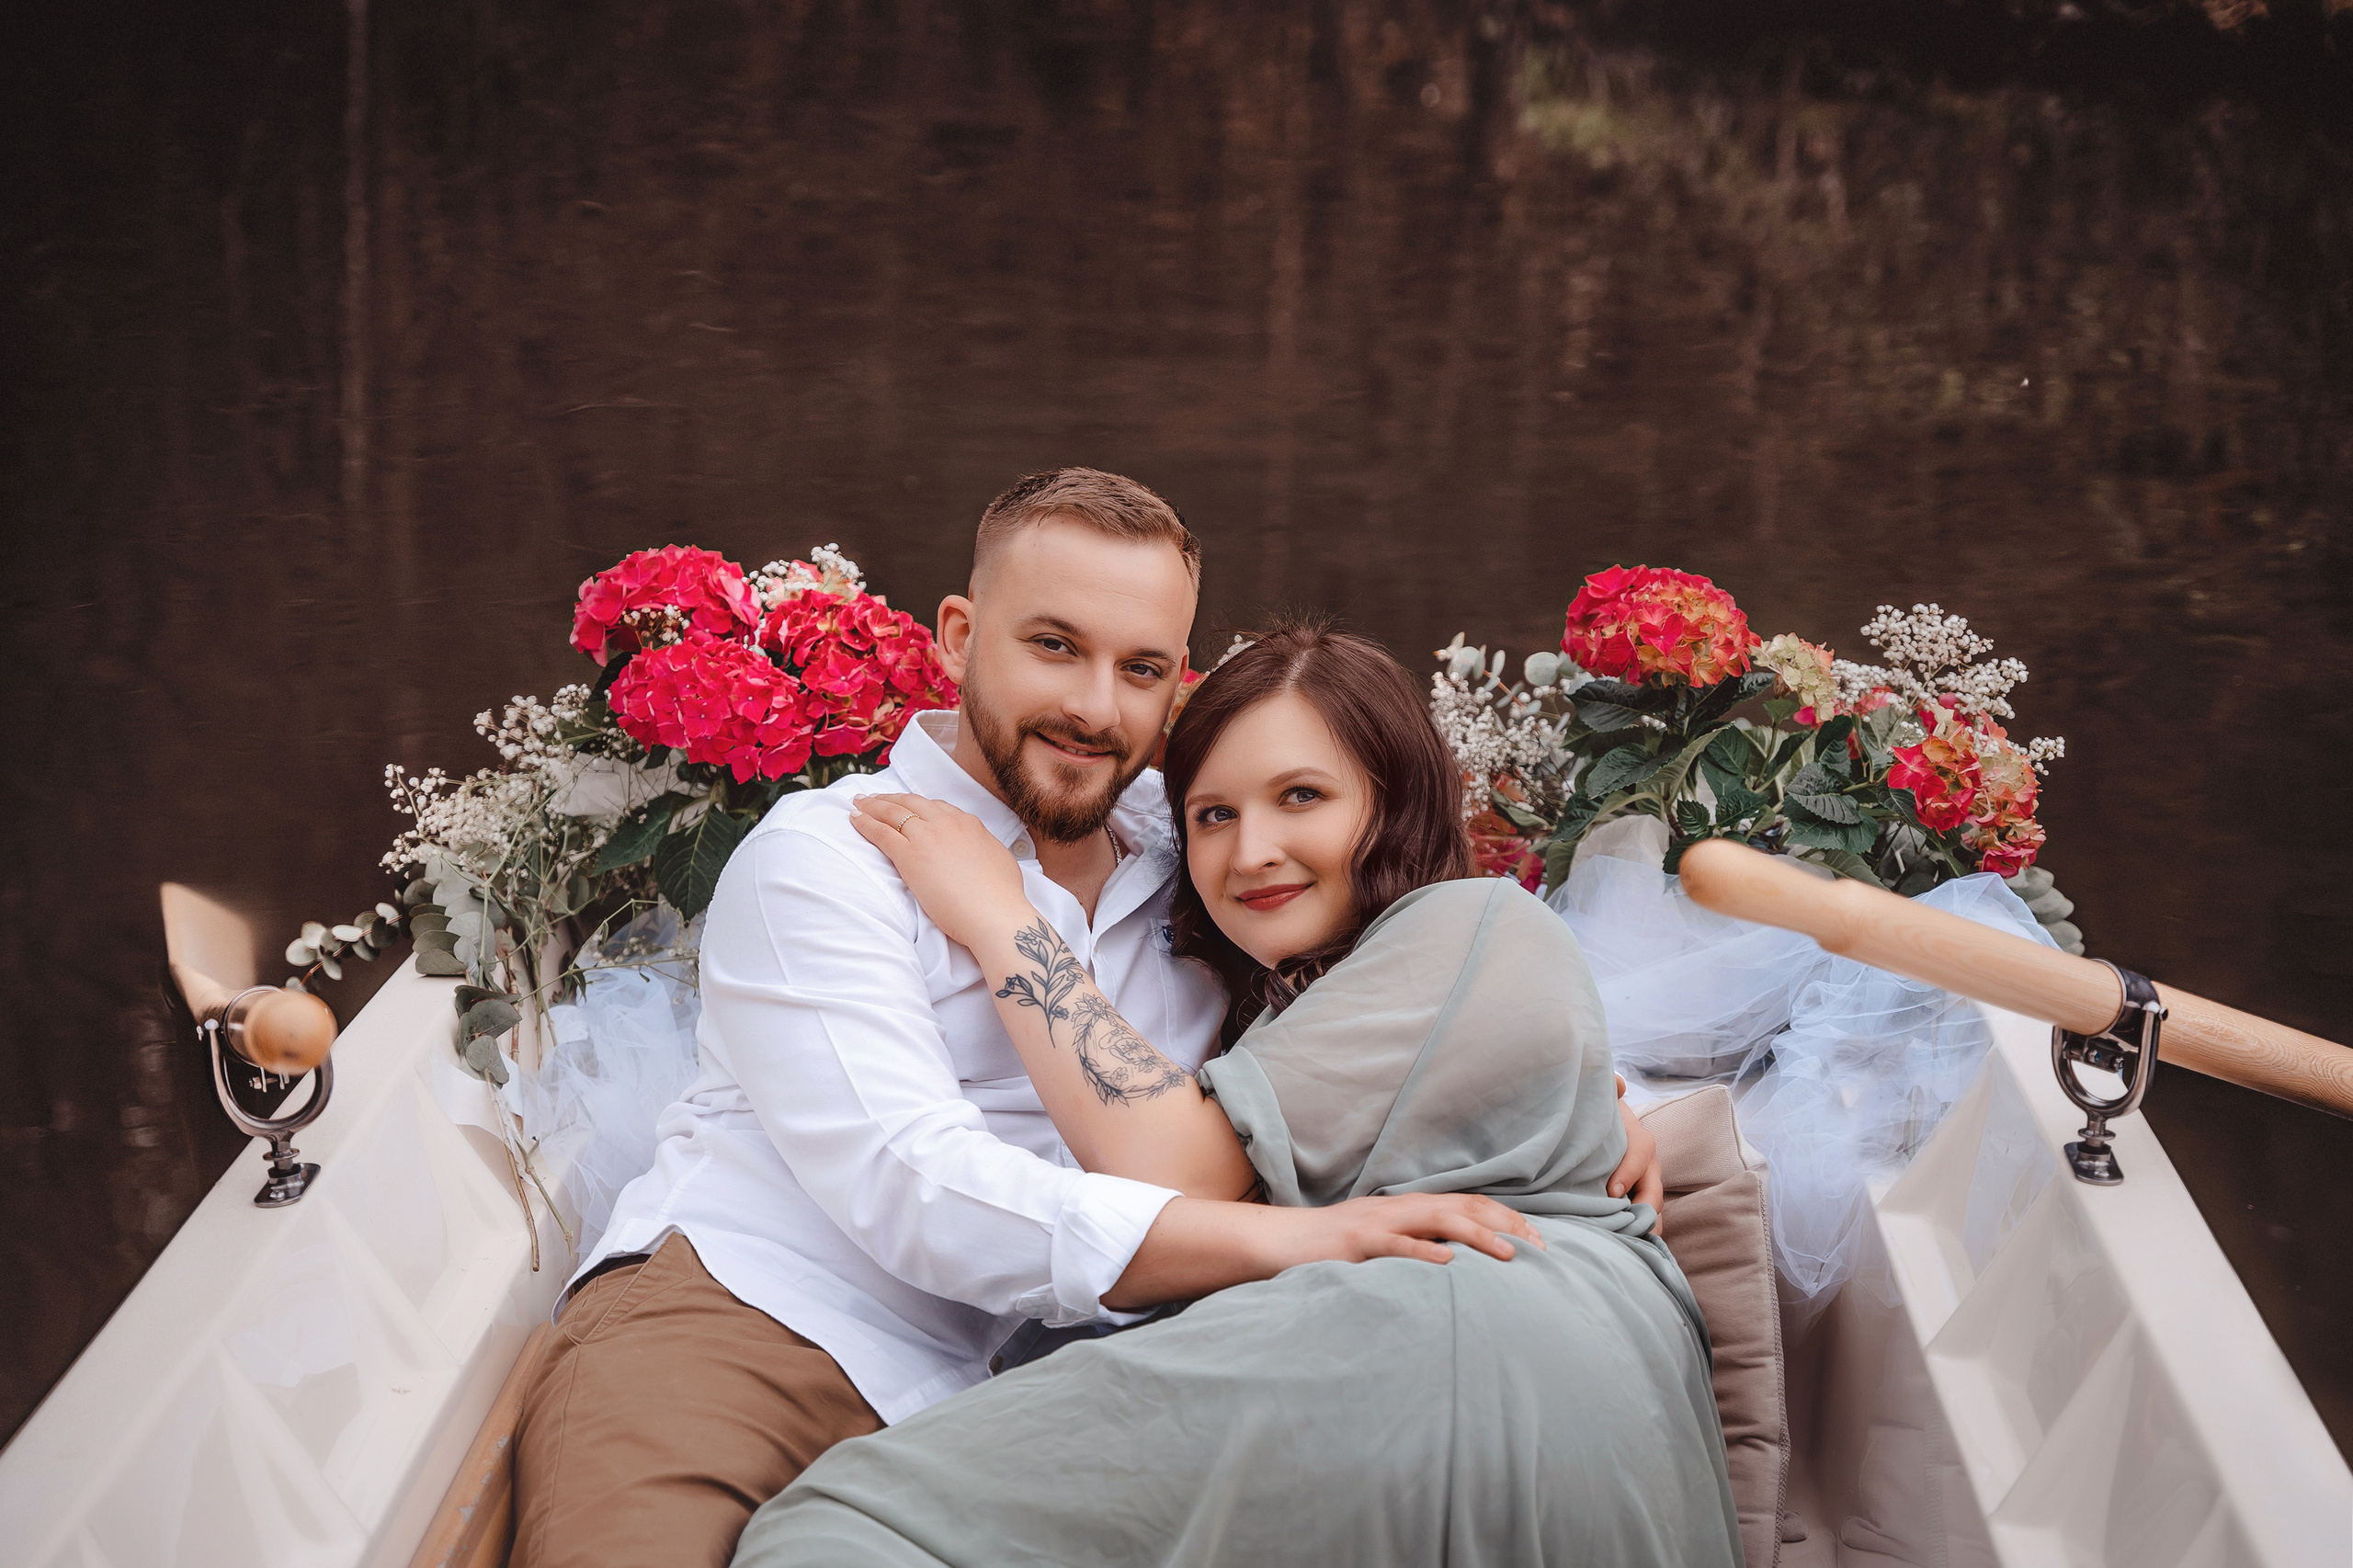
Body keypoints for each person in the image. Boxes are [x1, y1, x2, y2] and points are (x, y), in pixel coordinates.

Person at [509, 472, 1661, 1568]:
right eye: (1053, 645)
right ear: (959, 636)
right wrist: (1295, 1238)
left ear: (1178, 688)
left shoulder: (1208, 846)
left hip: (1058, 1391)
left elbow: (1398, 966)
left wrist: (1585, 1095)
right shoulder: (834, 852)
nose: (1093, 706)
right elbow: (912, 1183)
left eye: (1141, 667)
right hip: (757, 1327)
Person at [731, 623, 1741, 1568]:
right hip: (1545, 1370)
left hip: (1465, 1338)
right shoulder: (1284, 1011)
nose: (1248, 849)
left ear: (1395, 803)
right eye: (1213, 813)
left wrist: (1000, 914)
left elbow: (1169, 1163)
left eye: (1300, 795)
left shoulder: (1471, 919)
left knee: (849, 1519)